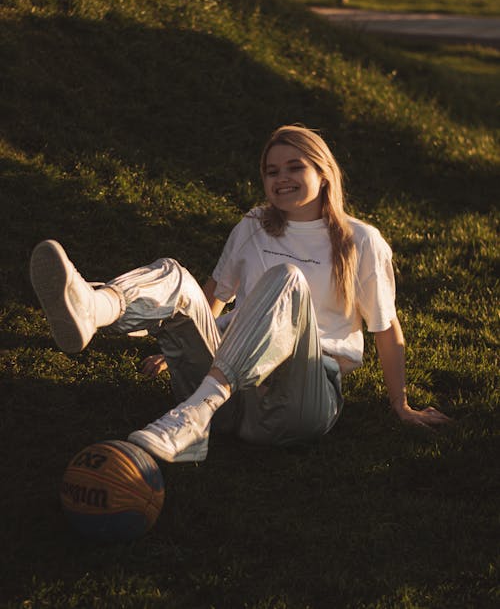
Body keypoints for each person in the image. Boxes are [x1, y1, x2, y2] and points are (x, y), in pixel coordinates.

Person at [30, 125, 450, 463]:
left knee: (286, 280)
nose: (281, 178)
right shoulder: (254, 225)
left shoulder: (361, 240)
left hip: (297, 402)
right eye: (271, 171)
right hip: (231, 402)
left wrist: (402, 405)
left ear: (323, 173)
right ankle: (95, 306)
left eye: (293, 167)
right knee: (174, 274)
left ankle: (196, 413)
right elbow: (213, 294)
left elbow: (385, 329)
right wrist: (187, 344)